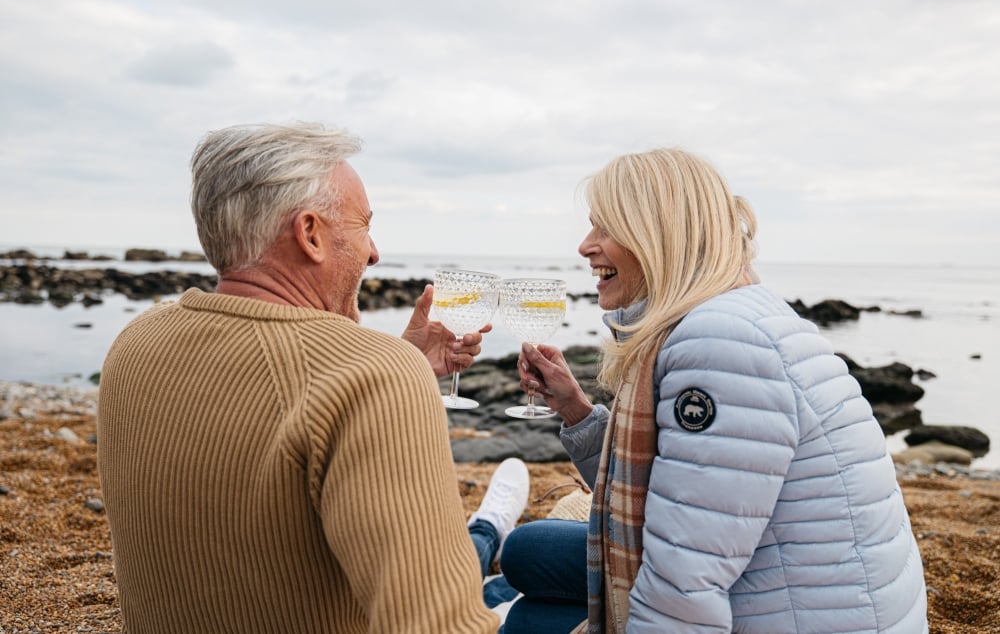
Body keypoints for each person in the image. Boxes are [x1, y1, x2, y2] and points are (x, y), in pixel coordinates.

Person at [97, 122, 524, 633]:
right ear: (311, 234)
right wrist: (393, 372)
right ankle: (489, 533)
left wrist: (402, 361)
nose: (374, 253)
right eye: (364, 224)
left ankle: (487, 532)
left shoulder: (134, 343)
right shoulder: (373, 377)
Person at [499, 148, 928, 633]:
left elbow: (684, 587)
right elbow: (677, 489)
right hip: (801, 593)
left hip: (802, 615)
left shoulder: (720, 345)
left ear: (658, 236)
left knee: (528, 609)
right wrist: (575, 410)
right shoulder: (736, 311)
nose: (584, 246)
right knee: (526, 566)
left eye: (605, 228)